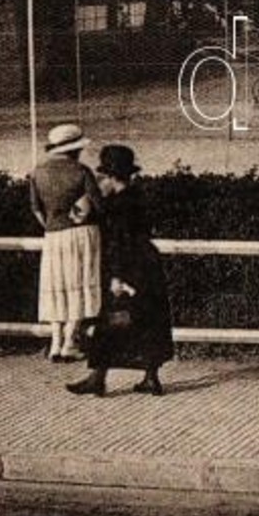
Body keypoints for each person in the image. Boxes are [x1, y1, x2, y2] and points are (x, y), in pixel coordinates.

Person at [66, 146, 175, 398]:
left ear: (111, 176)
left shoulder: (117, 207)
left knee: (110, 320)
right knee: (149, 319)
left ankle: (98, 377)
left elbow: (119, 243)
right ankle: (151, 378)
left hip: (128, 267)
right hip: (149, 265)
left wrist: (117, 277)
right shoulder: (138, 196)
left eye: (104, 176)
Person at [29, 124, 103, 363]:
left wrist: (52, 225)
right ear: (74, 150)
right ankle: (71, 341)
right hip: (81, 234)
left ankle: (55, 342)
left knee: (56, 286)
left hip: (53, 235)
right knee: (78, 283)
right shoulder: (82, 171)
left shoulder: (38, 172)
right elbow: (99, 206)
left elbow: (36, 209)